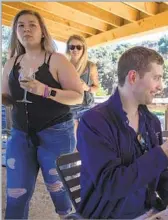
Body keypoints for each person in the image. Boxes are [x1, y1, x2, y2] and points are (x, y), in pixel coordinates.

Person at [76, 46, 168, 219]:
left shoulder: (151, 122)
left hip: (148, 211)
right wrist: (165, 152)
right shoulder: (94, 122)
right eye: (156, 78)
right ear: (133, 77)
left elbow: (160, 172)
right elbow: (111, 186)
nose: (161, 86)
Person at [2, 9, 84, 219]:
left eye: (32, 24)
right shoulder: (11, 63)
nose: (26, 29)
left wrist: (45, 90)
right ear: (15, 32)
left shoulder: (56, 60)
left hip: (57, 134)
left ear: (42, 32)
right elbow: (6, 96)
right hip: (20, 135)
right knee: (15, 197)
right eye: (21, 25)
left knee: (62, 196)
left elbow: (78, 96)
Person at [66, 34, 99, 133]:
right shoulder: (63, 65)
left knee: (87, 140)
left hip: (86, 107)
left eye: (78, 47)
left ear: (83, 49)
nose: (75, 50)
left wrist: (87, 88)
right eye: (72, 47)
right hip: (69, 108)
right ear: (68, 49)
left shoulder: (91, 66)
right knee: (74, 142)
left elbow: (96, 87)